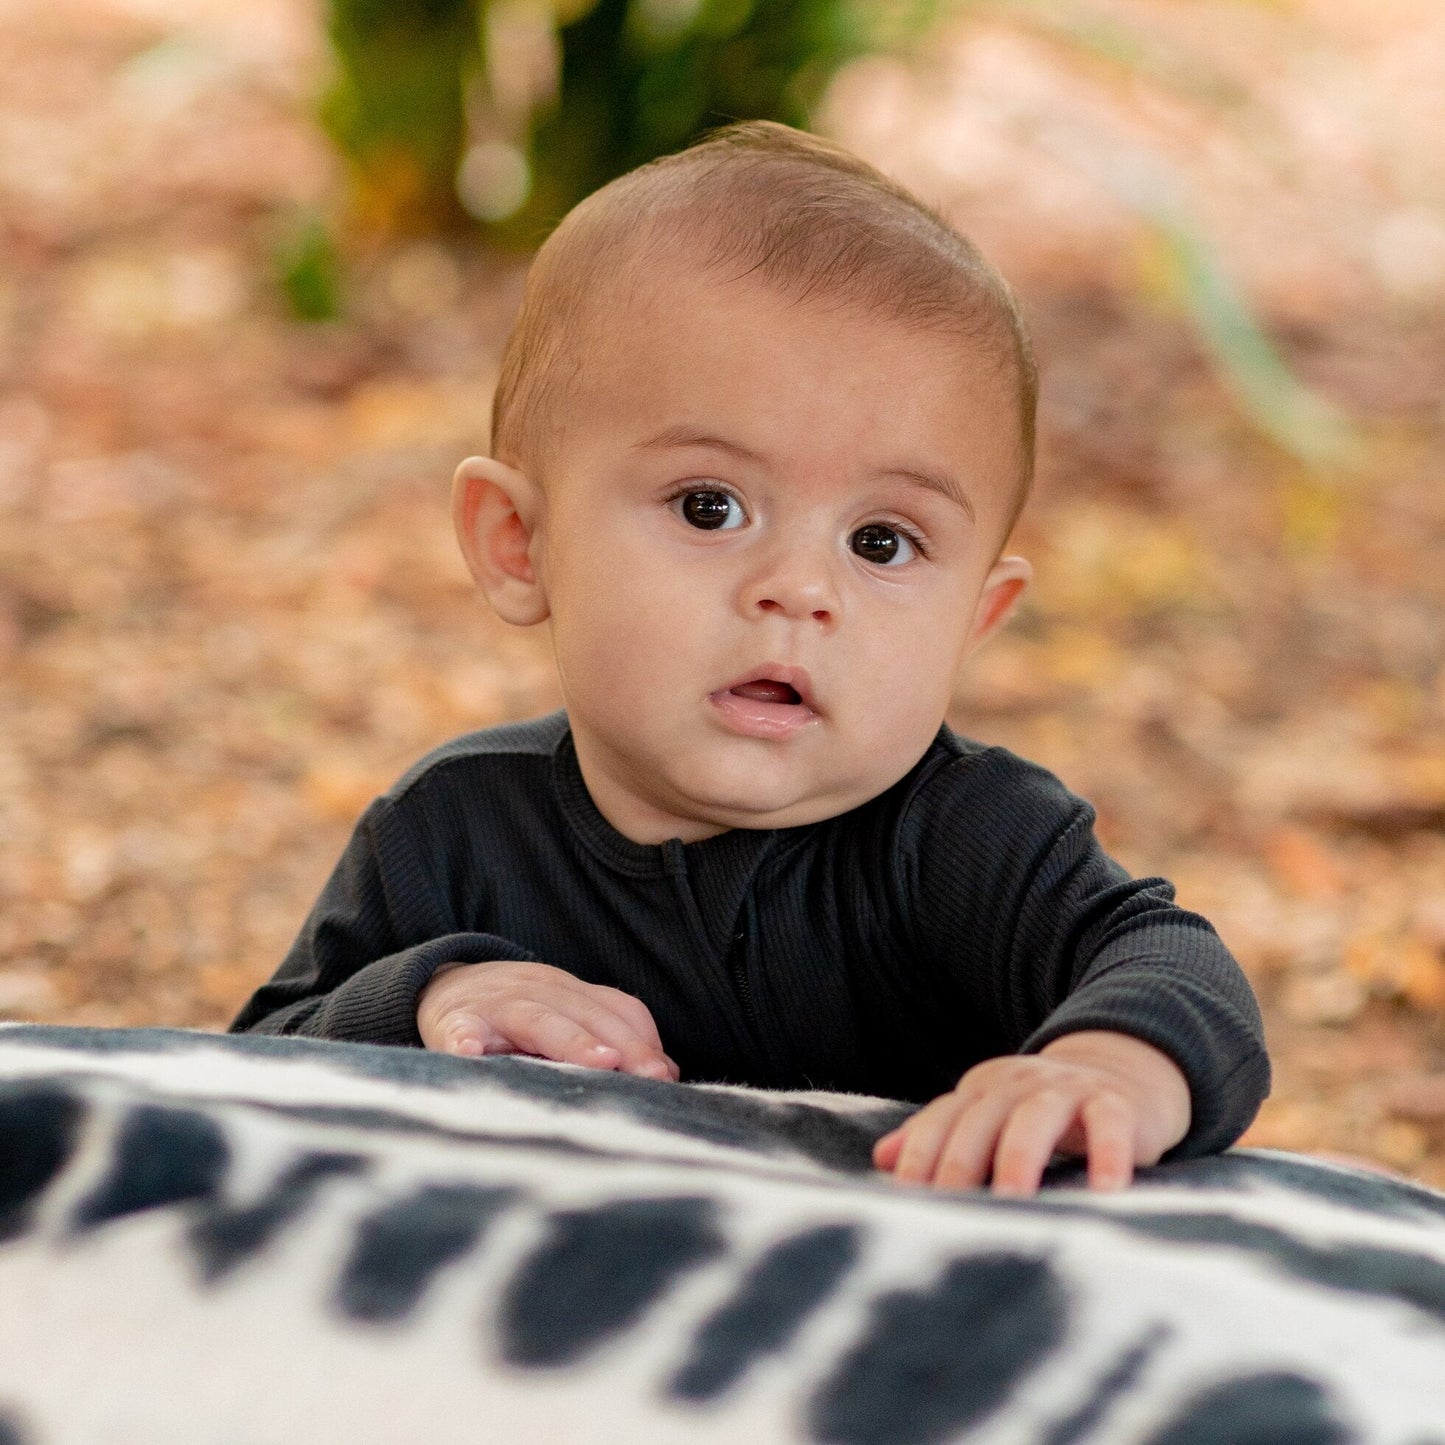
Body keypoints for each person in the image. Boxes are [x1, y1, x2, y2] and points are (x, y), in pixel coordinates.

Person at [231, 121, 1269, 1196]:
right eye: (710, 505)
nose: (798, 587)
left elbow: (1175, 970)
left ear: (974, 616)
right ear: (518, 544)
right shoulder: (447, 834)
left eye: (880, 542)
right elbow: (237, 1068)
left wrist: (1100, 1069)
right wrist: (427, 997)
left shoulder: (969, 836)